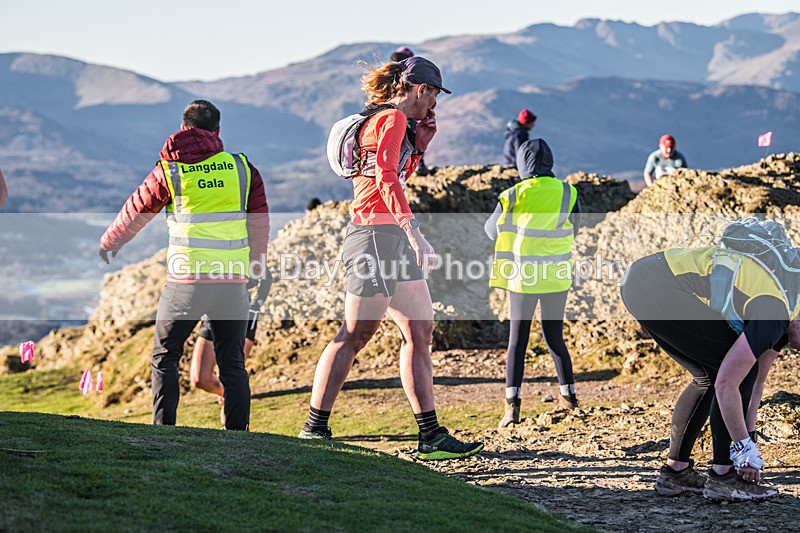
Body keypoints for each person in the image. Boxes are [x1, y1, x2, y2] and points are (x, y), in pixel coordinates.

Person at [299, 56, 483, 461]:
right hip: (374, 237)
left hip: (388, 237)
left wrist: (420, 147)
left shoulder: (390, 123)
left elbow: (395, 174)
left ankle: (430, 434)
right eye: (433, 94)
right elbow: (383, 178)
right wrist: (415, 232)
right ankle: (314, 427)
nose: (434, 105)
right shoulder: (392, 119)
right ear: (422, 89)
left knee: (419, 331)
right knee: (354, 334)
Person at [99, 100, 270, 431]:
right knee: (233, 363)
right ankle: (239, 438)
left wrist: (111, 242)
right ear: (217, 131)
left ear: (183, 128)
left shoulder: (170, 170)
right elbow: (259, 224)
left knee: (165, 357)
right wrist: (255, 269)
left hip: (186, 282)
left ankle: (164, 432)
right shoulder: (242, 169)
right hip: (232, 282)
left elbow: (137, 209)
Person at [620, 242, 794, 501]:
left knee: (710, 377)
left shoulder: (787, 316)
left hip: (642, 279)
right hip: (657, 283)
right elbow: (728, 384)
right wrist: (742, 450)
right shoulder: (776, 313)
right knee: (728, 372)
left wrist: (750, 439)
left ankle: (675, 472)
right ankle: (723, 476)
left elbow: (756, 383)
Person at [485, 139, 581, 427]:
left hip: (522, 278)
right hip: (556, 276)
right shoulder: (568, 191)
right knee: (554, 338)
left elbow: (491, 231)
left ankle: (511, 409)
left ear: (522, 164)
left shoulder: (513, 194)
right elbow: (575, 228)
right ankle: (570, 399)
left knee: (517, 341)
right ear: (549, 162)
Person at [190, 273, 272, 424]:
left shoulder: (244, 249)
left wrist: (256, 305)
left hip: (241, 313)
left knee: (230, 373)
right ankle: (226, 394)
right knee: (199, 379)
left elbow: (266, 276)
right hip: (212, 314)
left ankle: (232, 407)